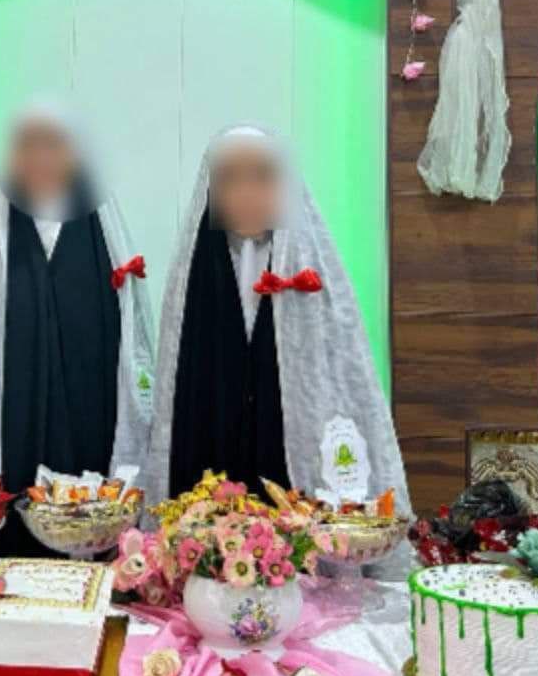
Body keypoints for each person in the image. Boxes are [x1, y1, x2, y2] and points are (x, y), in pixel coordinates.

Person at [0, 105, 154, 547]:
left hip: (91, 422)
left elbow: (135, 353)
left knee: (90, 534)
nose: (41, 159)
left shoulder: (107, 238)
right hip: (9, 426)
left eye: (54, 145)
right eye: (28, 146)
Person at [148, 125, 409, 512]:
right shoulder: (192, 277)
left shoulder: (313, 273)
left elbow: (341, 380)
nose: (246, 194)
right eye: (229, 180)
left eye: (262, 177)